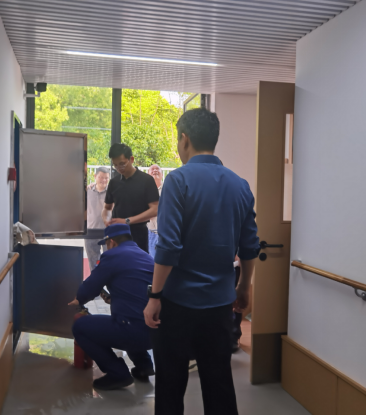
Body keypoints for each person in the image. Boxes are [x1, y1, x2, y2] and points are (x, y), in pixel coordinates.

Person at [144, 108, 260, 415]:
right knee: (219, 382)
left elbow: (168, 246)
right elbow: (250, 246)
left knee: (170, 385)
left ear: (184, 139)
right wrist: (243, 288)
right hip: (220, 304)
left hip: (178, 303)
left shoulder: (178, 180)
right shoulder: (240, 185)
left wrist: (155, 296)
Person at [69, 224, 155, 391]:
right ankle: (144, 366)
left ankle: (117, 373)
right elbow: (137, 292)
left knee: (80, 327)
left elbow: (90, 287)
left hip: (134, 331)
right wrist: (114, 298)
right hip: (155, 332)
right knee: (130, 318)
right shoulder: (144, 255)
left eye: (106, 244)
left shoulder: (113, 255)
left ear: (112, 242)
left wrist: (78, 300)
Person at [102, 144, 159, 253]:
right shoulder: (114, 182)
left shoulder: (146, 180)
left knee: (137, 262)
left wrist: (127, 221)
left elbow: (155, 209)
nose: (119, 168)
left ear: (131, 159)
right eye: (115, 165)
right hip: (117, 234)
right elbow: (106, 208)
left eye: (122, 164)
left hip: (138, 234)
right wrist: (107, 221)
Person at [85, 167, 110, 272]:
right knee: (93, 261)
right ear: (95, 176)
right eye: (101, 177)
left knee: (109, 260)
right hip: (90, 231)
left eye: (106, 178)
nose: (103, 180)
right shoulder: (87, 191)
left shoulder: (112, 192)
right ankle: (95, 280)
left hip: (108, 232)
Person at [146, 165, 163, 258]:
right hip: (150, 231)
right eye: (152, 169)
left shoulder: (168, 189)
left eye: (157, 169)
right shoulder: (143, 190)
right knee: (151, 259)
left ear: (162, 175)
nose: (155, 170)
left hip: (165, 231)